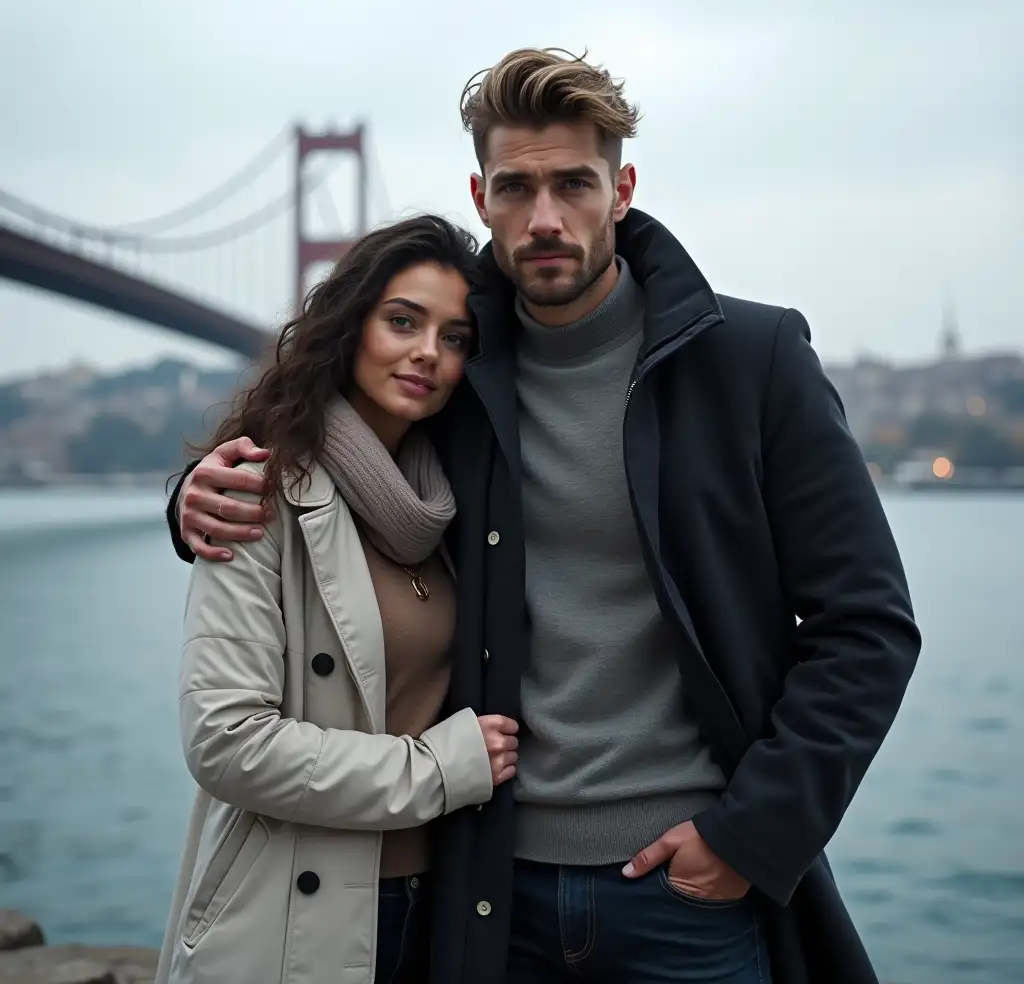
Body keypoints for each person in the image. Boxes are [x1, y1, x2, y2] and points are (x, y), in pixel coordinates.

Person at [165, 50, 921, 984]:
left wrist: (750, 835)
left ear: (624, 188)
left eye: (574, 183)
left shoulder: (751, 360)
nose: (546, 218)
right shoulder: (456, 368)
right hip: (488, 889)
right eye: (517, 188)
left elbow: (869, 626)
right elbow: (330, 437)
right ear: (481, 197)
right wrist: (198, 492)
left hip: (687, 893)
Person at [154, 214, 520, 984]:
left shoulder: (448, 496)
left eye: (454, 337)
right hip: (297, 915)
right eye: (402, 321)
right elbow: (225, 741)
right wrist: (440, 768)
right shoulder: (260, 494)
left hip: (443, 906)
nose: (428, 351)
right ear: (349, 328)